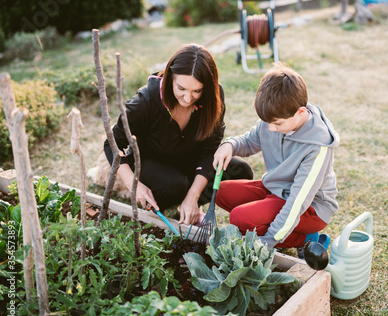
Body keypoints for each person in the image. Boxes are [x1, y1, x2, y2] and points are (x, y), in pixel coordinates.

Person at [104, 43, 253, 226]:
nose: (188, 98)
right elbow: (112, 144)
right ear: (170, 78)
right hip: (153, 165)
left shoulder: (214, 96)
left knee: (240, 171)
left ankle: (190, 205)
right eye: (181, 88)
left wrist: (194, 196)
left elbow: (210, 148)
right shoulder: (146, 101)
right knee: (174, 186)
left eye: (197, 91)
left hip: (191, 162)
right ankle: (164, 203)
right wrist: (134, 186)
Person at [212, 63, 339, 250]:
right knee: (221, 192)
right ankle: (270, 223)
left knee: (239, 218)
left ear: (300, 112)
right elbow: (250, 141)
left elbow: (297, 202)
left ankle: (306, 239)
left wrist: (268, 241)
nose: (271, 129)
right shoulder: (275, 117)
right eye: (267, 122)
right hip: (276, 190)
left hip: (310, 208)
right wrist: (230, 144)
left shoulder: (317, 147)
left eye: (277, 124)